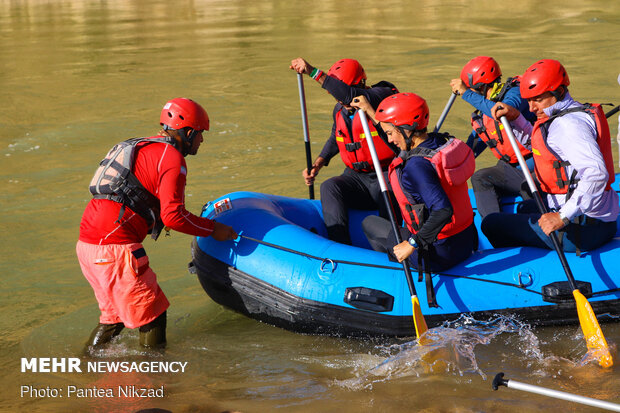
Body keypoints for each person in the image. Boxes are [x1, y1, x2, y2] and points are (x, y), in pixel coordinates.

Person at [77, 98, 237, 350]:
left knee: (114, 318)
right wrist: (214, 229)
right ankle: (156, 379)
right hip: (115, 247)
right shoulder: (171, 157)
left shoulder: (143, 146)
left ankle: (85, 364)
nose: (202, 141)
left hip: (88, 245)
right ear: (188, 132)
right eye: (201, 134)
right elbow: (173, 216)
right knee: (154, 315)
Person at [484, 59, 618, 252]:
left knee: (492, 223)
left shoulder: (568, 126)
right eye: (528, 100)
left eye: (537, 99)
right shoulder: (569, 113)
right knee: (523, 209)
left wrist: (562, 216)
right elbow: (545, 146)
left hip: (583, 229)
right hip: (596, 217)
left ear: (559, 92)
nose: (531, 108)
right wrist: (517, 118)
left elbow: (596, 173)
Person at [353, 92, 477, 275]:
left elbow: (443, 210)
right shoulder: (439, 142)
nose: (389, 139)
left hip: (439, 254)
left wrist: (412, 244)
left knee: (370, 223)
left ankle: (395, 272)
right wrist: (370, 110)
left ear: (406, 129)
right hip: (467, 241)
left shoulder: (416, 166)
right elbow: (399, 142)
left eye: (389, 133)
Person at [289, 57, 399, 245]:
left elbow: (347, 94)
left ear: (360, 84)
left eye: (341, 93)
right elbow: (336, 137)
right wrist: (318, 163)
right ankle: (340, 246)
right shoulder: (340, 109)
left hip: (387, 174)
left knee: (388, 192)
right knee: (329, 187)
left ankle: (390, 248)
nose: (340, 99)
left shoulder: (380, 96)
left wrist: (312, 71)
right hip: (358, 178)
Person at [450, 56, 537, 219]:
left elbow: (502, 110)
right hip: (512, 167)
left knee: (527, 189)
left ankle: (539, 227)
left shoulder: (515, 93)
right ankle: (493, 227)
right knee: (480, 177)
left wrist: (466, 94)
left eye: (472, 90)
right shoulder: (483, 111)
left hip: (537, 167)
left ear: (481, 86)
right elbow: (471, 149)